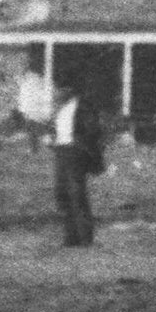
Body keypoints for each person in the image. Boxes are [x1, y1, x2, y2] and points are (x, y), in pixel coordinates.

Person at [46, 72, 105, 247]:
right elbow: (55, 129)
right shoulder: (60, 109)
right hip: (61, 151)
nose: (57, 92)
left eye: (61, 89)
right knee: (63, 194)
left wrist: (82, 146)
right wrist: (52, 138)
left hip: (75, 152)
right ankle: (71, 238)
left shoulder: (83, 107)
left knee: (77, 194)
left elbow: (93, 130)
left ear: (70, 90)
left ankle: (85, 238)